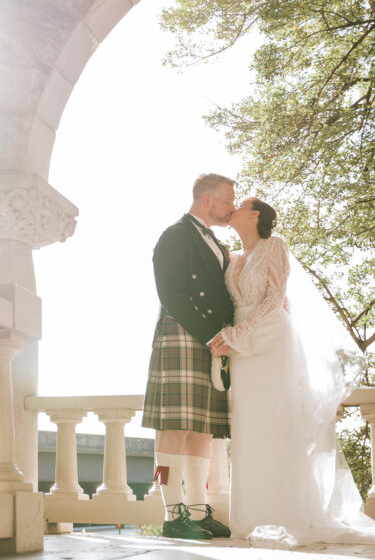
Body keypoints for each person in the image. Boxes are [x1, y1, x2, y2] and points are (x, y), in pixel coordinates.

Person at [209, 197, 375, 548]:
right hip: (242, 352)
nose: (233, 206)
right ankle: (250, 517)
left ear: (255, 214)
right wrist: (231, 338)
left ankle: (287, 514)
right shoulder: (232, 258)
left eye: (242, 202)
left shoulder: (274, 246)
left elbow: (274, 297)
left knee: (278, 423)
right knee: (250, 428)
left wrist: (238, 335)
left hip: (270, 342)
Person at [141, 173, 236, 539]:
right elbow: (170, 291)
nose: (232, 207)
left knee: (203, 430)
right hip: (183, 332)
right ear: (207, 199)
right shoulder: (175, 234)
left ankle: (196, 511)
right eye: (228, 200)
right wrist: (209, 332)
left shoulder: (215, 241)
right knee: (174, 427)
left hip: (211, 340)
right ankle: (171, 513)